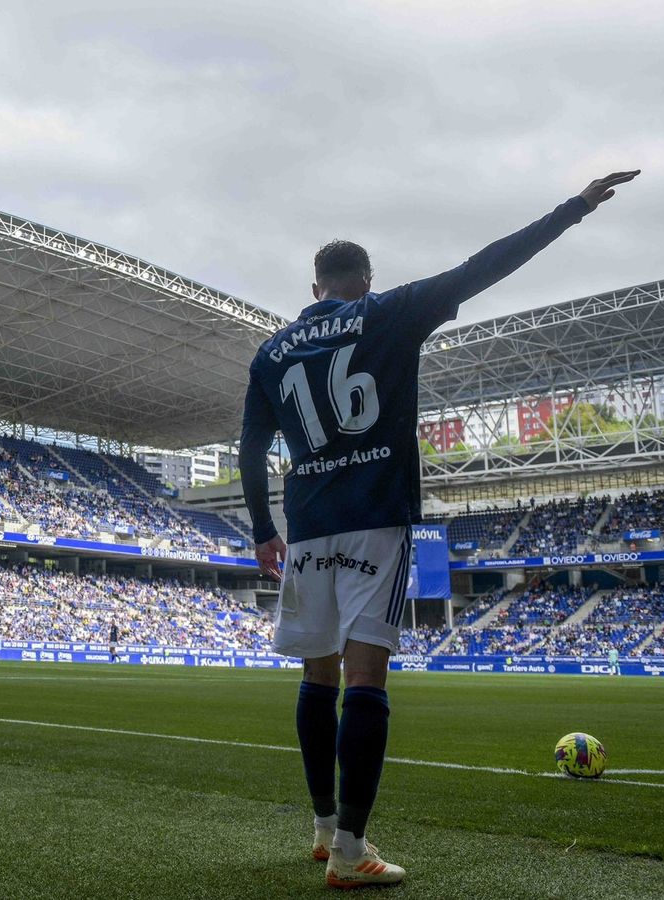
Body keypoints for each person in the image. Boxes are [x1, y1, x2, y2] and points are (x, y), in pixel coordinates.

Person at [239, 171, 638, 889]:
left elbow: (249, 445)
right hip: (376, 518)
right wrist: (573, 210)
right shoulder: (389, 311)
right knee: (366, 675)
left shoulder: (270, 352)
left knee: (316, 675)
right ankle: (352, 851)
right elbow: (484, 266)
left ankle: (325, 829)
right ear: (364, 279)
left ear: (315, 284)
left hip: (306, 525)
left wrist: (264, 528)